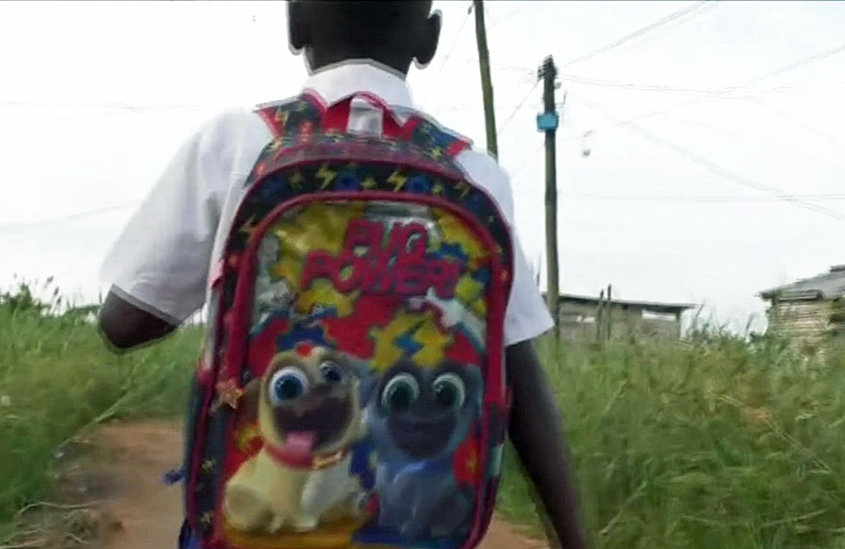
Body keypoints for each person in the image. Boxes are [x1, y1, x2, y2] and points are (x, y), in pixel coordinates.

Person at [97, 1, 589, 548]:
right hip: (417, 530)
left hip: (253, 527)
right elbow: (518, 367)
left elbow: (125, 322)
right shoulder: (474, 175)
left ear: (294, 24)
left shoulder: (237, 143)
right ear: (428, 39)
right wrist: (574, 538)